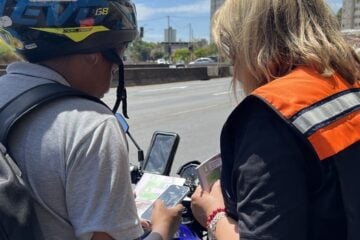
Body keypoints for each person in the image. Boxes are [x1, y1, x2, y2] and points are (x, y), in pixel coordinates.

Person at [0, 0, 183, 239]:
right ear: (92, 54)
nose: (118, 64)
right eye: (120, 49)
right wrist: (162, 228)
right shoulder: (91, 125)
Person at [191, 0, 360, 240]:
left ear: (251, 44)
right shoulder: (350, 81)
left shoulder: (271, 115)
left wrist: (213, 214)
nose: (235, 69)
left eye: (232, 52)